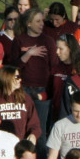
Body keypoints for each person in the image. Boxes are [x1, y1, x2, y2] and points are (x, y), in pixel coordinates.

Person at [10, 8, 58, 149]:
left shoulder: (48, 40)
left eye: (42, 21)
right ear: (29, 24)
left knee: (40, 131)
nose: (41, 24)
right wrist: (28, 54)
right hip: (22, 89)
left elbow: (53, 66)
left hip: (42, 90)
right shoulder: (19, 40)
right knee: (21, 129)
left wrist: (48, 91)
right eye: (37, 21)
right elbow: (13, 67)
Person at [0, 66, 41, 143]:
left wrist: (33, 135)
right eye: (17, 77)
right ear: (7, 78)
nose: (20, 80)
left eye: (20, 77)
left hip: (20, 144)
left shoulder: (25, 98)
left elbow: (34, 123)